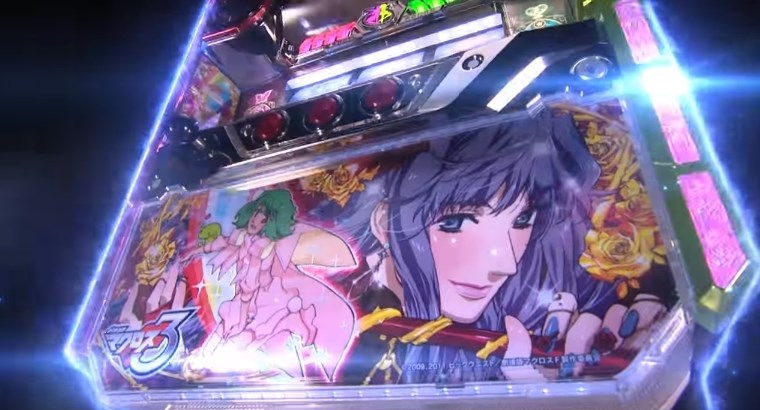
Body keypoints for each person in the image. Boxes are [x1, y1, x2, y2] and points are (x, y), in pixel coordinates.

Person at [322, 113, 667, 384]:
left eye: (522, 220)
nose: (506, 263)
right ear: (385, 223)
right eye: (457, 221)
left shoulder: (537, 301)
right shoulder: (332, 304)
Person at [182, 189, 357, 381]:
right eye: (256, 212)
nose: (255, 220)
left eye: (263, 219)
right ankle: (203, 360)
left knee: (248, 336)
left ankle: (305, 379)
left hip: (270, 301)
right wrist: (194, 252)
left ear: (271, 223)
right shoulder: (242, 236)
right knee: (229, 326)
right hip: (249, 299)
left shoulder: (264, 247)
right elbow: (222, 244)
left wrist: (243, 314)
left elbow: (250, 284)